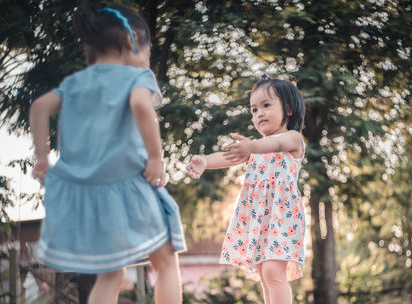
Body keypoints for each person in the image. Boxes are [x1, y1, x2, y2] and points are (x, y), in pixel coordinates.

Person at [29, 3, 186, 304]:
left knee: (110, 275)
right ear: (131, 43)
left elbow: (39, 107)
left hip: (85, 196)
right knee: (165, 263)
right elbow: (141, 106)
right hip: (128, 188)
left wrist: (41, 157)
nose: (147, 62)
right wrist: (155, 158)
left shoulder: (74, 83)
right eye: (148, 54)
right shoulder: (136, 78)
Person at [187, 75, 306, 304]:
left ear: (289, 109)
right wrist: (205, 160)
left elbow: (276, 144)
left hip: (281, 218)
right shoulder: (255, 147)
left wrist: (251, 146)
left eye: (266, 105)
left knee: (273, 271)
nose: (259, 113)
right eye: (253, 110)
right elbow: (228, 157)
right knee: (263, 273)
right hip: (259, 219)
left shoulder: (293, 139)